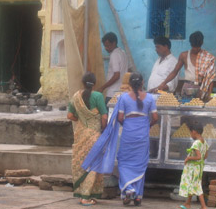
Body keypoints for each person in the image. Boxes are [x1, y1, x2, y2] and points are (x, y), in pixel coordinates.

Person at [117, 73, 158, 206]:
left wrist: (128, 126)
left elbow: (120, 118)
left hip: (128, 133)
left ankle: (128, 191)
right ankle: (138, 196)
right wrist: (147, 125)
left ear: (129, 84)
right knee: (140, 164)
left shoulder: (123, 98)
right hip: (142, 134)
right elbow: (155, 118)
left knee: (123, 161)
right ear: (142, 83)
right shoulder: (150, 98)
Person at [67, 72, 108, 206]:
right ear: (94, 83)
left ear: (83, 83)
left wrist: (80, 119)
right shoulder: (98, 96)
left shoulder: (75, 96)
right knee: (93, 164)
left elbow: (70, 116)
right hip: (94, 135)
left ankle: (85, 193)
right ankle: (85, 196)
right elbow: (104, 117)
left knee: (82, 163)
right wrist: (103, 130)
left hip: (80, 134)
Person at [156, 31, 216, 101]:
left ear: (202, 43)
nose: (195, 49)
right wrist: (163, 83)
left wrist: (209, 94)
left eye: (198, 47)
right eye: (194, 46)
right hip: (188, 88)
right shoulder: (184, 55)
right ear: (190, 44)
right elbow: (175, 71)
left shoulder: (208, 58)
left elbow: (210, 78)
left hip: (202, 89)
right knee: (186, 109)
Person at [178, 122, 209, 209]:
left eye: (190, 132)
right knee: (192, 185)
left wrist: (189, 158)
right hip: (199, 168)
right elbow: (205, 156)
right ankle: (187, 203)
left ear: (194, 132)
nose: (191, 135)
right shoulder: (204, 142)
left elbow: (198, 157)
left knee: (197, 186)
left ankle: (203, 206)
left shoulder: (196, 143)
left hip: (193, 169)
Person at [98, 32, 128, 104]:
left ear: (114, 43)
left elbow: (116, 75)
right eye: (105, 46)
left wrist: (103, 87)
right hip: (122, 92)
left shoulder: (114, 55)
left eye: (108, 46)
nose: (106, 48)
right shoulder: (122, 52)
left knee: (109, 114)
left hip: (113, 93)